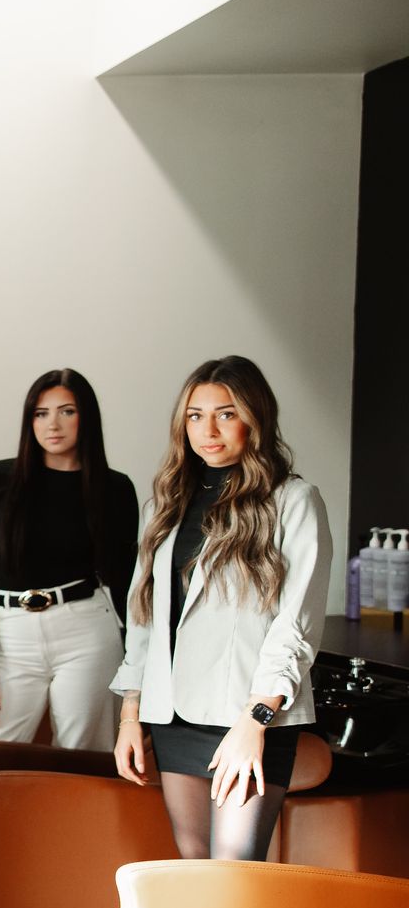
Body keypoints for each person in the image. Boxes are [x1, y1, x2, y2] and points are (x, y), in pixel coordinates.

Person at [112, 355, 333, 861]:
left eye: (226, 413)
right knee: (194, 863)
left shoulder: (293, 501)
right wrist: (131, 715)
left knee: (232, 866)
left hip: (249, 713)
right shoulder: (165, 502)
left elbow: (296, 625)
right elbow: (145, 616)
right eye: (194, 415)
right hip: (173, 714)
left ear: (255, 417)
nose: (207, 429)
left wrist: (255, 721)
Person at [0, 370, 139, 750]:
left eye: (66, 411)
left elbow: (125, 584)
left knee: (83, 755)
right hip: (11, 637)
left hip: (87, 631)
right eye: (40, 414)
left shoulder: (115, 488)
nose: (52, 424)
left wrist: (136, 664)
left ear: (86, 417)